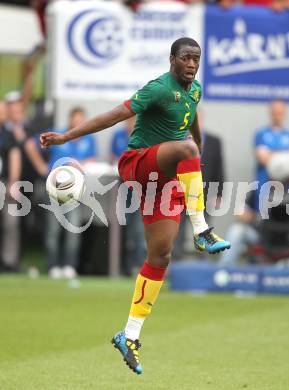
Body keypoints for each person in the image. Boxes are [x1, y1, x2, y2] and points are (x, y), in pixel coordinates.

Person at [40, 37, 230, 374]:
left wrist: (198, 141)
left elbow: (191, 114)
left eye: (196, 58)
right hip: (138, 162)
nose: (191, 63)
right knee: (186, 151)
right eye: (185, 57)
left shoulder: (194, 89)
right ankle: (202, 230)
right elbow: (114, 115)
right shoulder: (158, 88)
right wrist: (66, 137)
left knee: (160, 256)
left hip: (164, 181)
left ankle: (128, 336)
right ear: (172, 59)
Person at [46, 107, 97, 279]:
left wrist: (78, 164)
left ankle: (69, 265)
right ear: (70, 120)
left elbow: (91, 159)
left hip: (75, 189)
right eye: (76, 119)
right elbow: (34, 146)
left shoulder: (89, 139)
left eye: (81, 120)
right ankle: (53, 265)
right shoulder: (59, 135)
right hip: (56, 187)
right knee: (53, 229)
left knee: (73, 228)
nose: (78, 123)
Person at [111, 117, 146, 274]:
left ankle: (137, 265)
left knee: (138, 229)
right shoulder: (118, 135)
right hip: (122, 185)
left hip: (140, 187)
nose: (130, 124)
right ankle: (123, 266)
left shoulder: (145, 135)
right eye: (128, 121)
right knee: (123, 228)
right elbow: (113, 157)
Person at [255, 100, 289, 210]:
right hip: (265, 188)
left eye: (280, 112)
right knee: (264, 222)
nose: (277, 116)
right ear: (270, 113)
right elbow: (263, 158)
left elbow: (269, 157)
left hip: (285, 190)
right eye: (274, 112)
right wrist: (284, 156)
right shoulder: (261, 134)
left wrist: (272, 154)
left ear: (284, 114)